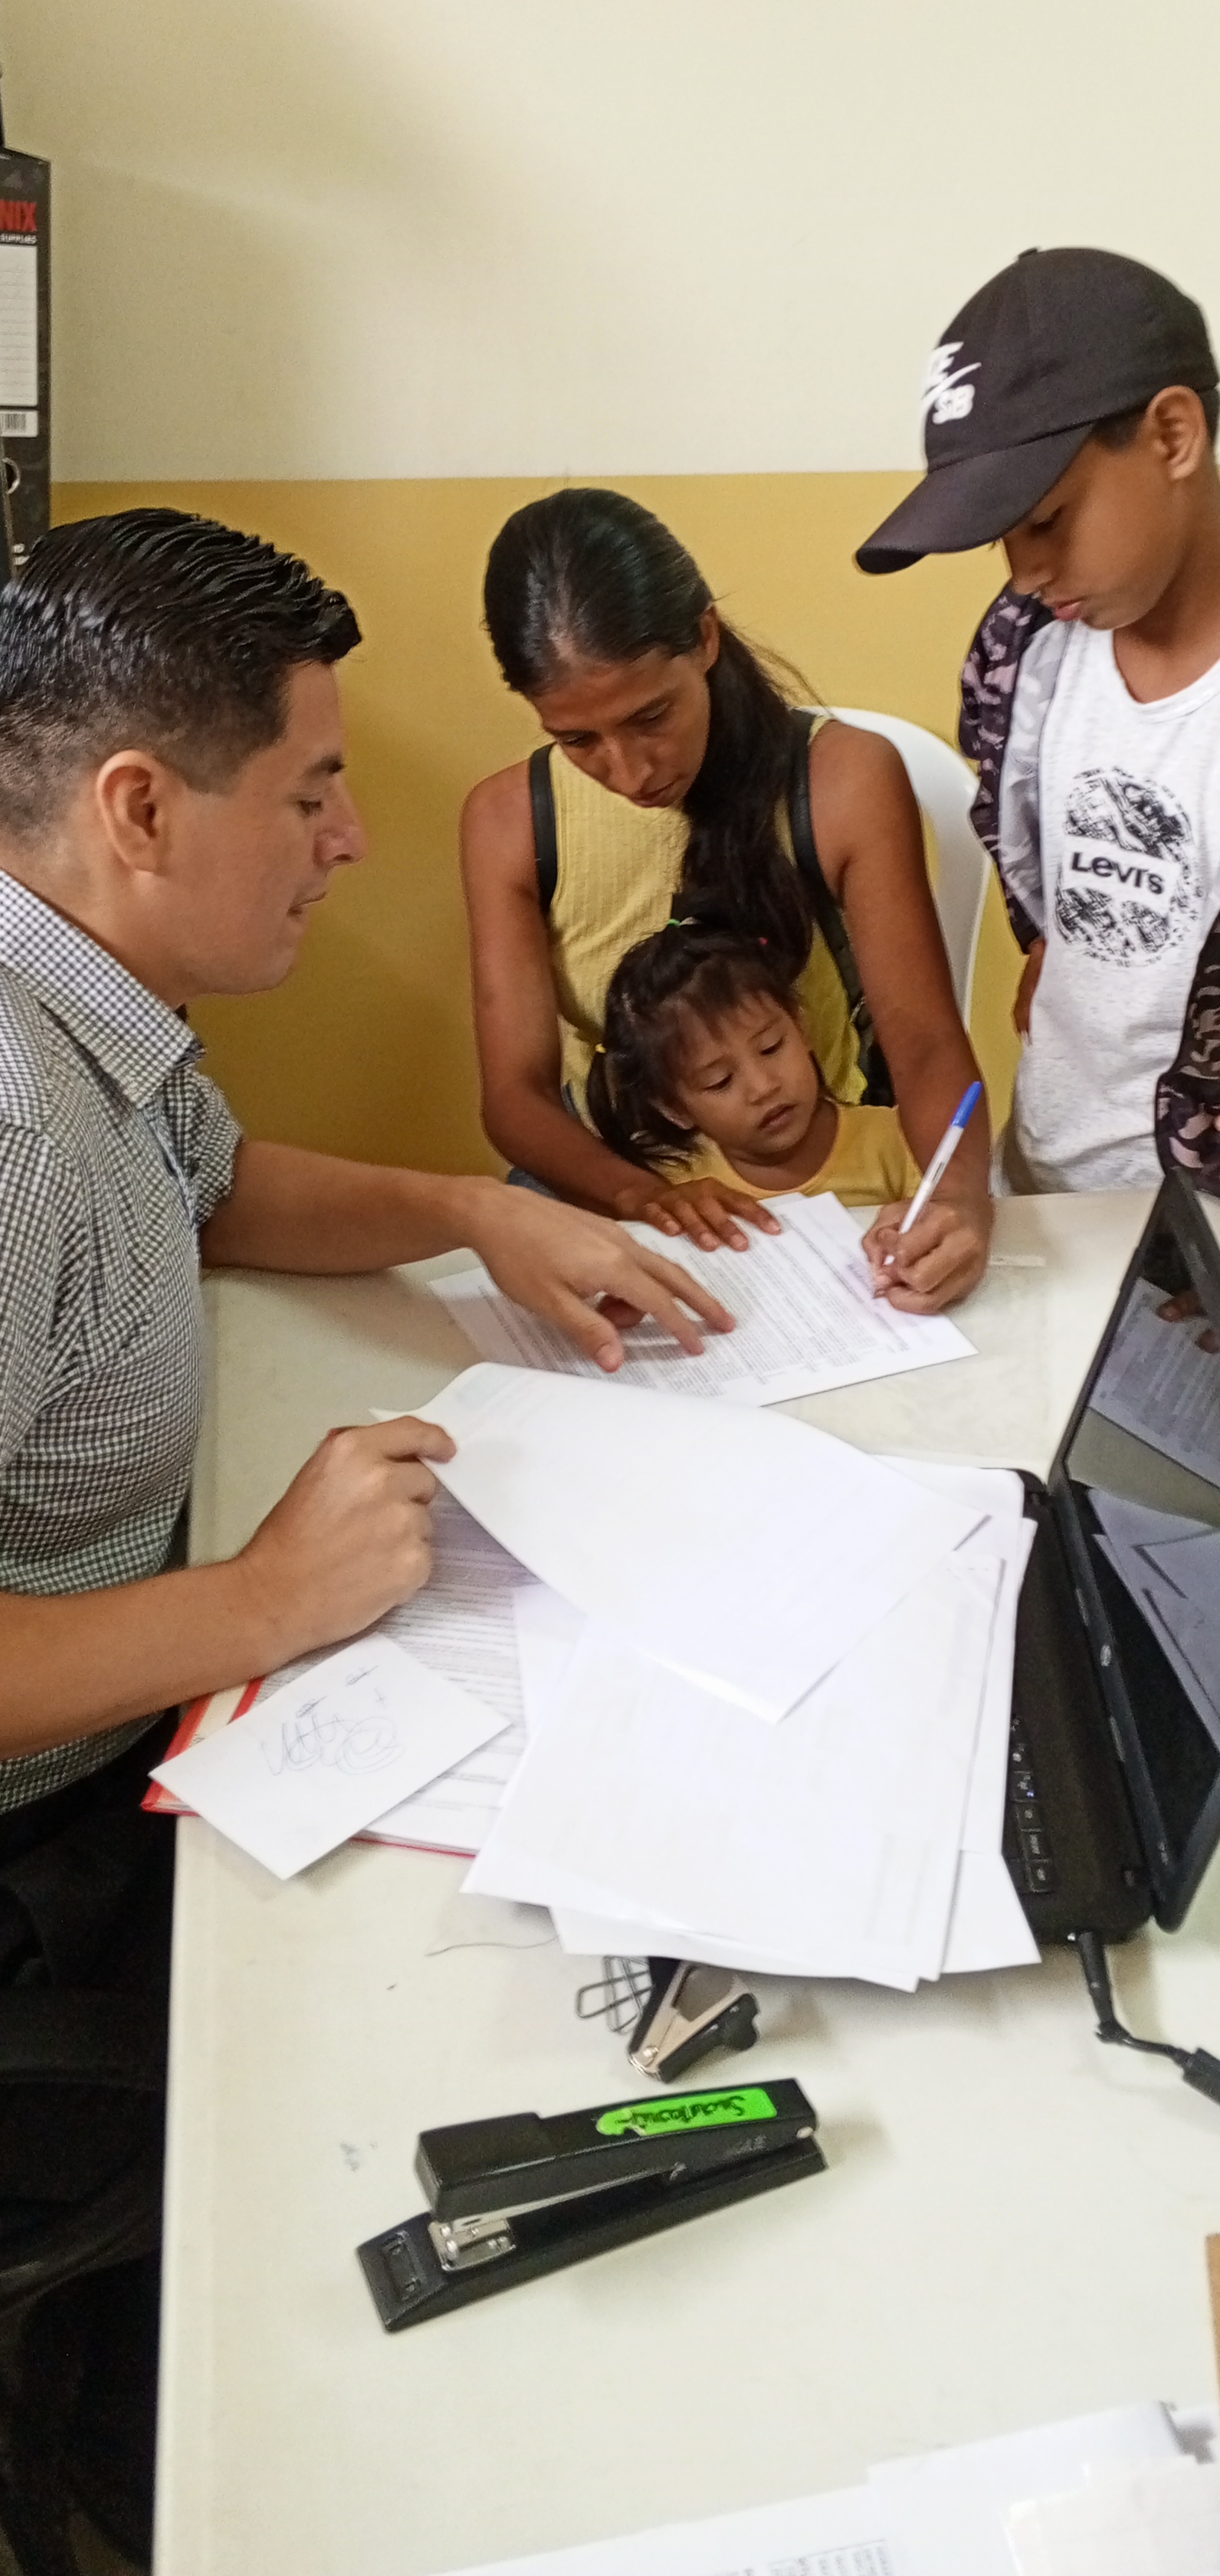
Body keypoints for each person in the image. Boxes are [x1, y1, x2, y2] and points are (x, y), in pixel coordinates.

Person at [0, 506, 732, 2562]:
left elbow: (218, 1190)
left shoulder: (93, 1008)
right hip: (49, 1864)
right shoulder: (10, 1121)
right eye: (313, 790)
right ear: (140, 807)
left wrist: (482, 1212)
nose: (352, 839)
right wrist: (259, 1600)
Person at [856, 246, 1220, 1298]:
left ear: (1172, 435)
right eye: (1002, 540)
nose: (1025, 572)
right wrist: (1051, 941)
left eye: (1048, 521)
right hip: (1054, 1190)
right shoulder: (1022, 650)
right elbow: (1032, 847)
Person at [462, 485, 990, 1313]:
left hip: (800, 1182)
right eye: (577, 740)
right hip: (601, 1182)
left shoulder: (843, 780)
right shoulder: (509, 823)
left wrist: (959, 1203)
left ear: (705, 638)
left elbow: (922, 1042)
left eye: (651, 716)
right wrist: (647, 1198)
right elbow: (515, 1098)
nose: (629, 771)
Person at [587, 911, 920, 1226]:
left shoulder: (898, 1141)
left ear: (801, 1026)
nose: (763, 1087)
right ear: (675, 1109)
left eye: (771, 1047)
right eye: (720, 1081)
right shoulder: (674, 1186)